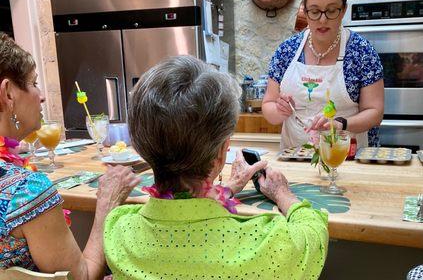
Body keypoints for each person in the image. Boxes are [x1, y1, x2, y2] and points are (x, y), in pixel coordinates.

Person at [104, 55, 328, 280]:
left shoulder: (119, 233)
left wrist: (228, 188)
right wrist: (283, 194)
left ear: (141, 145)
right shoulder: (268, 246)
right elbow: (313, 232)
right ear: (222, 153)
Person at [0, 32, 139, 279]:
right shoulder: (26, 190)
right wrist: (107, 204)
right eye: (33, 83)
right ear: (8, 94)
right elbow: (81, 277)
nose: (41, 95)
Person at [263, 0, 384, 148]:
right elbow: (268, 105)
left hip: (346, 160)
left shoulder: (362, 53)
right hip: (295, 158)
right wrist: (279, 110)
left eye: (331, 11)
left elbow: (375, 112)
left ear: (343, 10)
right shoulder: (286, 51)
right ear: (305, 10)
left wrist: (341, 124)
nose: (322, 19)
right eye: (315, 11)